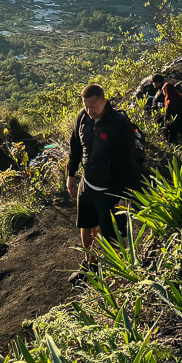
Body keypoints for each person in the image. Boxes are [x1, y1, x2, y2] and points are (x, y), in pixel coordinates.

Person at [66, 83, 143, 275]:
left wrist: (125, 195)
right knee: (85, 224)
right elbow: (75, 146)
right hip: (88, 183)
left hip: (111, 189)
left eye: (93, 106)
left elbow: (128, 162)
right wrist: (71, 175)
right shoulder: (83, 117)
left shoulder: (118, 124)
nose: (89, 111)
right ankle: (90, 265)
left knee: (113, 235)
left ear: (104, 101)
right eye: (86, 106)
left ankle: (114, 272)